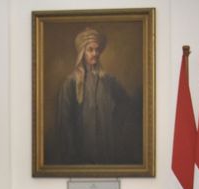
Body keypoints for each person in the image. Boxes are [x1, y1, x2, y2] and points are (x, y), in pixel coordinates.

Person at [48, 27, 141, 165]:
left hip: (107, 152)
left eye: (97, 50)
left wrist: (114, 126)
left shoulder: (109, 81)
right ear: (82, 53)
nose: (95, 53)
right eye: (90, 50)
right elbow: (65, 124)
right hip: (80, 155)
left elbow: (127, 106)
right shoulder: (70, 83)